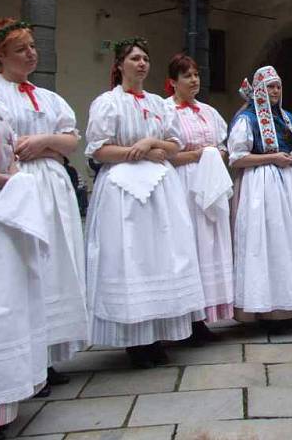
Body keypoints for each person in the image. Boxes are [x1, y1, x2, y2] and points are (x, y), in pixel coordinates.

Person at [84, 38, 205, 368]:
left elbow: (175, 143)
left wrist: (152, 142)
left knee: (160, 257)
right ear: (120, 64)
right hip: (123, 189)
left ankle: (157, 334)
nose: (141, 64)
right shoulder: (108, 103)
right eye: (135, 58)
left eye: (146, 59)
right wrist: (134, 152)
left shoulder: (158, 103)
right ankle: (134, 340)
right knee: (131, 257)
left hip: (159, 189)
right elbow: (98, 148)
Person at [0, 18, 88, 393]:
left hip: (52, 184)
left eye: (32, 46)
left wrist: (45, 141)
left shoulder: (47, 97)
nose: (31, 53)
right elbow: (7, 143)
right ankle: (29, 357)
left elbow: (70, 141)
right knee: (29, 268)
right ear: (1, 55)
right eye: (21, 49)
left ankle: (49, 353)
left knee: (57, 262)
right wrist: (51, 145)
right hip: (19, 186)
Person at [227, 66, 292, 325]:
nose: (275, 91)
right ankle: (263, 305)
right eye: (269, 86)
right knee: (265, 243)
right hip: (260, 186)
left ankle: (286, 306)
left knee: (289, 243)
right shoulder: (248, 119)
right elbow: (237, 158)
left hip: (287, 184)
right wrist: (272, 158)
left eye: (278, 86)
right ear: (258, 90)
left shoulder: (288, 118)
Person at [0, 102, 49, 440]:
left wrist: (13, 177)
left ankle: (3, 401)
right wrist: (10, 181)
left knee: (8, 303)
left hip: (2, 206)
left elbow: (11, 151)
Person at [164, 53, 234, 342]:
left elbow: (222, 146)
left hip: (209, 182)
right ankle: (187, 315)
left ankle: (204, 314)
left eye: (196, 75)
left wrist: (217, 154)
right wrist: (199, 154)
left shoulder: (208, 111)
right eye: (187, 76)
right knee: (189, 245)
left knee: (210, 245)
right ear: (173, 82)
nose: (193, 80)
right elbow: (167, 152)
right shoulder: (166, 111)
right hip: (183, 181)